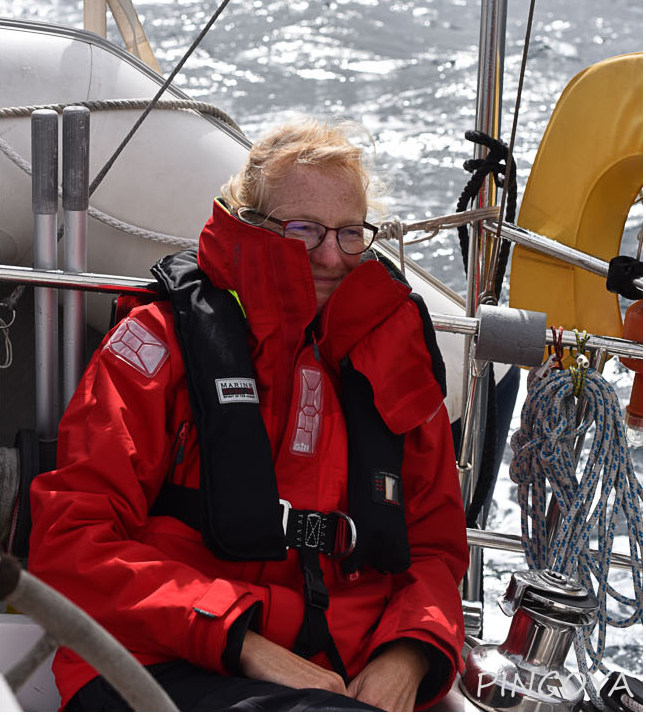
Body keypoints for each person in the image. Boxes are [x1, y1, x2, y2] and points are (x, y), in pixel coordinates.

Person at [32, 120, 466, 712]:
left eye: (349, 233)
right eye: (304, 230)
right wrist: (243, 642)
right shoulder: (160, 345)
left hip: (346, 675)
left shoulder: (394, 359)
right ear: (249, 223)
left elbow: (436, 548)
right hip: (153, 661)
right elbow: (71, 542)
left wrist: (408, 658)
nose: (331, 255)